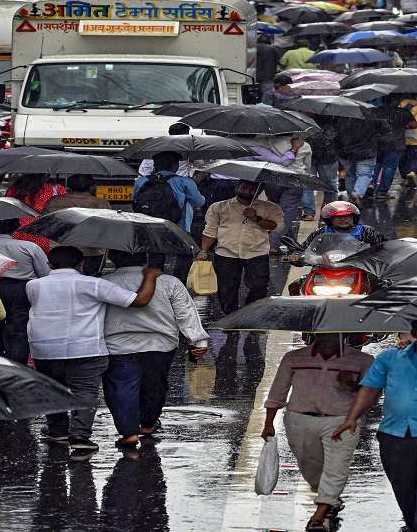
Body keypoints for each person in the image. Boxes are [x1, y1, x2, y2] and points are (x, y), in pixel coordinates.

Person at [332, 321, 417, 532]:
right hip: (395, 435)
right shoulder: (389, 357)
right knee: (406, 494)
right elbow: (370, 388)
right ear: (415, 333)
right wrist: (352, 417)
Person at [25, 246, 161, 456]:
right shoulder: (94, 284)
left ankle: (57, 429)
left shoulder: (33, 285)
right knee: (85, 391)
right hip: (85, 347)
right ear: (81, 264)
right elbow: (139, 300)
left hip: (45, 348)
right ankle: (79, 435)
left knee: (52, 388)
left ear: (50, 265)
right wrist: (150, 276)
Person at [263, 333, 374, 531]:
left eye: (333, 335)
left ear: (343, 336)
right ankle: (328, 497)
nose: (328, 339)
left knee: (336, 466)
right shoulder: (294, 357)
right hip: (299, 419)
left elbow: (372, 393)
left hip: (342, 420)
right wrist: (268, 423)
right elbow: (278, 390)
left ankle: (320, 513)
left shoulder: (362, 360)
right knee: (310, 467)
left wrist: (352, 384)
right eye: (324, 335)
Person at [102, 251, 208, 451]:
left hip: (117, 345)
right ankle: (148, 424)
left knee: (121, 387)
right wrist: (198, 341)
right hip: (160, 344)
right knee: (155, 385)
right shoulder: (169, 282)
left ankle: (129, 432)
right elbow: (186, 312)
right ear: (145, 258)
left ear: (113, 258)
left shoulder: (103, 282)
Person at [197, 180, 283, 315]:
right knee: (226, 290)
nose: (247, 189)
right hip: (226, 254)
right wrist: (203, 251)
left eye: (252, 187)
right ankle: (231, 317)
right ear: (237, 187)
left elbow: (275, 226)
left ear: (259, 190)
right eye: (244, 185)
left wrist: (257, 218)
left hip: (257, 253)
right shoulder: (219, 207)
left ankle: (249, 314)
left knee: (259, 287)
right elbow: (210, 231)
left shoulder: (271, 208)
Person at [0, 218, 50, 364]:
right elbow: (44, 273)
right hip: (21, 290)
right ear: (15, 228)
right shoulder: (29, 247)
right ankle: (17, 361)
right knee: (19, 326)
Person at [44, 174, 113, 275]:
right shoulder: (102, 204)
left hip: (60, 249)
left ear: (68, 187)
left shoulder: (53, 201)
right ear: (92, 187)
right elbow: (107, 227)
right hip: (91, 251)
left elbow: (45, 223)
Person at [133, 151, 206, 236]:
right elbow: (199, 201)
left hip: (147, 226)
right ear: (176, 166)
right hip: (178, 228)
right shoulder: (185, 182)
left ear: (155, 166)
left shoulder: (141, 181)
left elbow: (135, 200)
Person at [6, 174, 67, 252]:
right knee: (40, 257)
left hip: (18, 227)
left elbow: (7, 206)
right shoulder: (56, 188)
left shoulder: (14, 189)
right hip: (42, 229)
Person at [370, 97, 415, 201]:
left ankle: (371, 185)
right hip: (396, 143)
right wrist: (404, 124)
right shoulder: (404, 112)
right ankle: (382, 192)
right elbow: (414, 125)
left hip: (378, 142)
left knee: (376, 164)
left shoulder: (376, 111)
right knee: (389, 167)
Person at [297, 201, 386, 249]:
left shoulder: (367, 231)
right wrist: (295, 255)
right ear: (330, 219)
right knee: (299, 283)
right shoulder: (321, 232)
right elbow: (304, 249)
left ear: (354, 217)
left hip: (361, 269)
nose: (343, 219)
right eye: (338, 217)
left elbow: (383, 247)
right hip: (326, 269)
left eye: (347, 216)